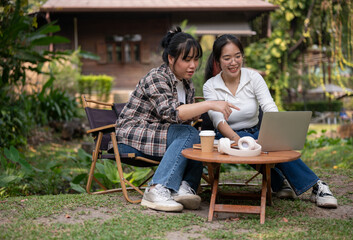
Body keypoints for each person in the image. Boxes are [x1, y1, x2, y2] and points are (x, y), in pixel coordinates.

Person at [203, 34, 338, 208]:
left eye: (237, 56)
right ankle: (281, 182)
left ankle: (317, 186)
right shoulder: (210, 86)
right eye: (227, 58)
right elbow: (218, 121)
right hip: (228, 137)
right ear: (217, 60)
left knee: (276, 146)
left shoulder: (254, 78)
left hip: (256, 130)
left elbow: (269, 107)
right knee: (251, 145)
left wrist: (275, 134)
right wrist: (240, 141)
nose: (233, 62)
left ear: (242, 56)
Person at [115, 27, 238, 212]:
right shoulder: (157, 77)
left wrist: (199, 113)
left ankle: (184, 187)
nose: (193, 65)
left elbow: (182, 120)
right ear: (171, 59)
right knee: (189, 133)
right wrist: (209, 104)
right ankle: (157, 189)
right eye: (186, 59)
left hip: (163, 136)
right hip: (133, 135)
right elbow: (172, 113)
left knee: (197, 136)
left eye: (196, 59)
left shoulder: (187, 85)